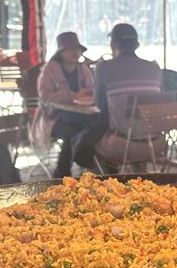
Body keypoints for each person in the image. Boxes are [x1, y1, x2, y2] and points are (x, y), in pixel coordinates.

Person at [90, 23, 163, 169]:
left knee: (86, 144)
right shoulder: (154, 68)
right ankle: (138, 178)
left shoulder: (104, 67)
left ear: (112, 44)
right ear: (137, 45)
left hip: (121, 146)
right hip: (157, 144)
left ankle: (110, 183)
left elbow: (98, 105)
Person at [34, 31, 95, 177]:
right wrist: (71, 96)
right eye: (70, 49)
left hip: (81, 115)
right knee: (72, 135)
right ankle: (62, 174)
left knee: (92, 132)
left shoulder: (83, 69)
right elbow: (45, 97)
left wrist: (87, 93)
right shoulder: (50, 69)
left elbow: (93, 90)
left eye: (77, 48)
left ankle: (90, 166)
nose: (75, 52)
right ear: (61, 52)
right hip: (54, 118)